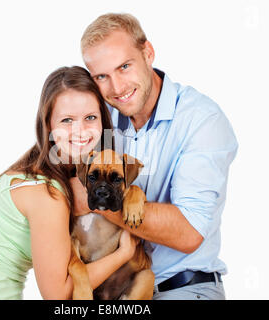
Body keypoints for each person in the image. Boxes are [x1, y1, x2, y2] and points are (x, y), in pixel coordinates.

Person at [71, 13, 238, 300]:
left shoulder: (201, 121)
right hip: (108, 284)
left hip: (182, 286)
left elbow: (189, 231)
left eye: (124, 66)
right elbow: (52, 166)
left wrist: (99, 200)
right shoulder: (99, 117)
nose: (117, 87)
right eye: (102, 76)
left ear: (148, 53)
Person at [0, 66, 138, 300]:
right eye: (67, 120)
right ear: (48, 126)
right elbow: (58, 296)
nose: (81, 131)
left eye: (90, 118)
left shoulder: (35, 172)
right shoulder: (46, 193)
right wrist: (124, 253)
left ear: (103, 122)